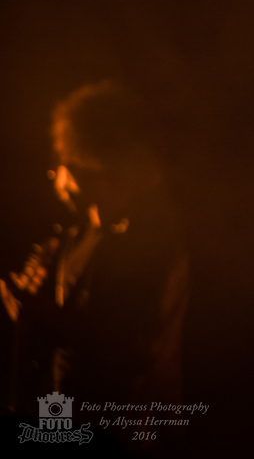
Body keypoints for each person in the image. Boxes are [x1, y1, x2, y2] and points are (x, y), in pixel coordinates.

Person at [2, 81, 189, 446]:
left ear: (100, 164)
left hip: (122, 430)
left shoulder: (150, 244)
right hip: (65, 421)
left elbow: (133, 348)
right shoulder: (78, 238)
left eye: (68, 164)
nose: (58, 176)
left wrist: (45, 318)